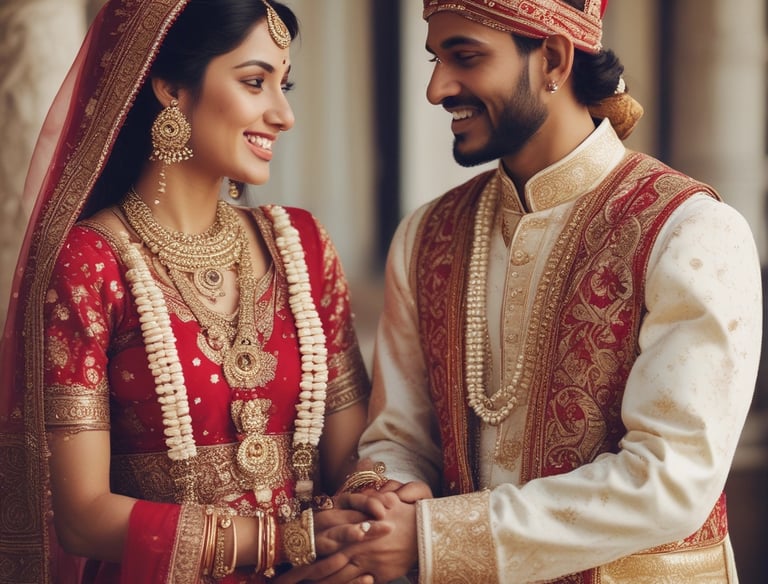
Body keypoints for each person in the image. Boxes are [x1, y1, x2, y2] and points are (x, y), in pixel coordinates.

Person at [287, 1, 763, 583]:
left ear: (554, 58)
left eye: (465, 57)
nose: (437, 88)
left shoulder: (690, 229)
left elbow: (671, 481)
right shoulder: (426, 235)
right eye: (436, 59)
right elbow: (400, 435)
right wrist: (384, 504)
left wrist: (433, 538)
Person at [0, 1, 376, 582]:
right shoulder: (92, 261)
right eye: (256, 82)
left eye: (285, 84)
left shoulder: (301, 246)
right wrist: (283, 541)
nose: (283, 114)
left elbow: (351, 455)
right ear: (171, 89)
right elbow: (81, 516)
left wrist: (365, 517)